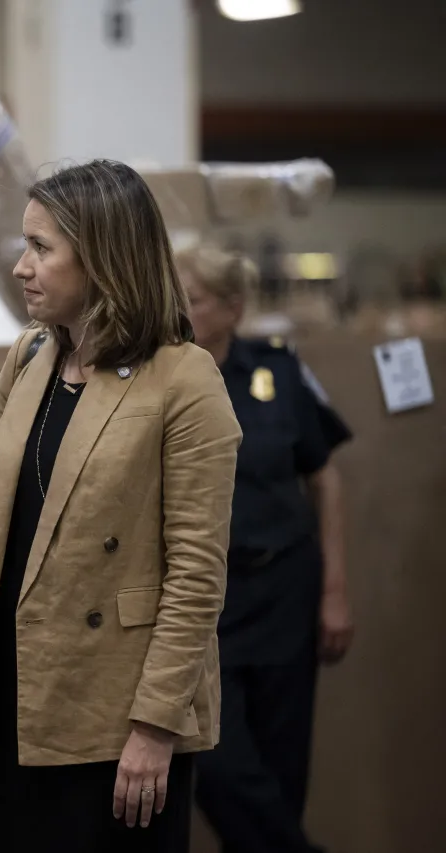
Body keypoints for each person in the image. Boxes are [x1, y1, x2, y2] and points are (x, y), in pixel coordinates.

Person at [0, 159, 243, 853]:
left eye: (41, 248)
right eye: (26, 245)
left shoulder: (185, 379)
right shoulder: (29, 359)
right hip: (11, 699)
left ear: (104, 258)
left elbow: (197, 574)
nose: (22, 267)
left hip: (119, 717)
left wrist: (156, 726)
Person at [176, 243, 355, 853]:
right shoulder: (159, 377)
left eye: (193, 301)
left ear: (233, 308)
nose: (180, 312)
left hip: (284, 587)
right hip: (204, 602)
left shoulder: (276, 370)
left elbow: (324, 476)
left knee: (282, 770)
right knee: (217, 764)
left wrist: (334, 590)